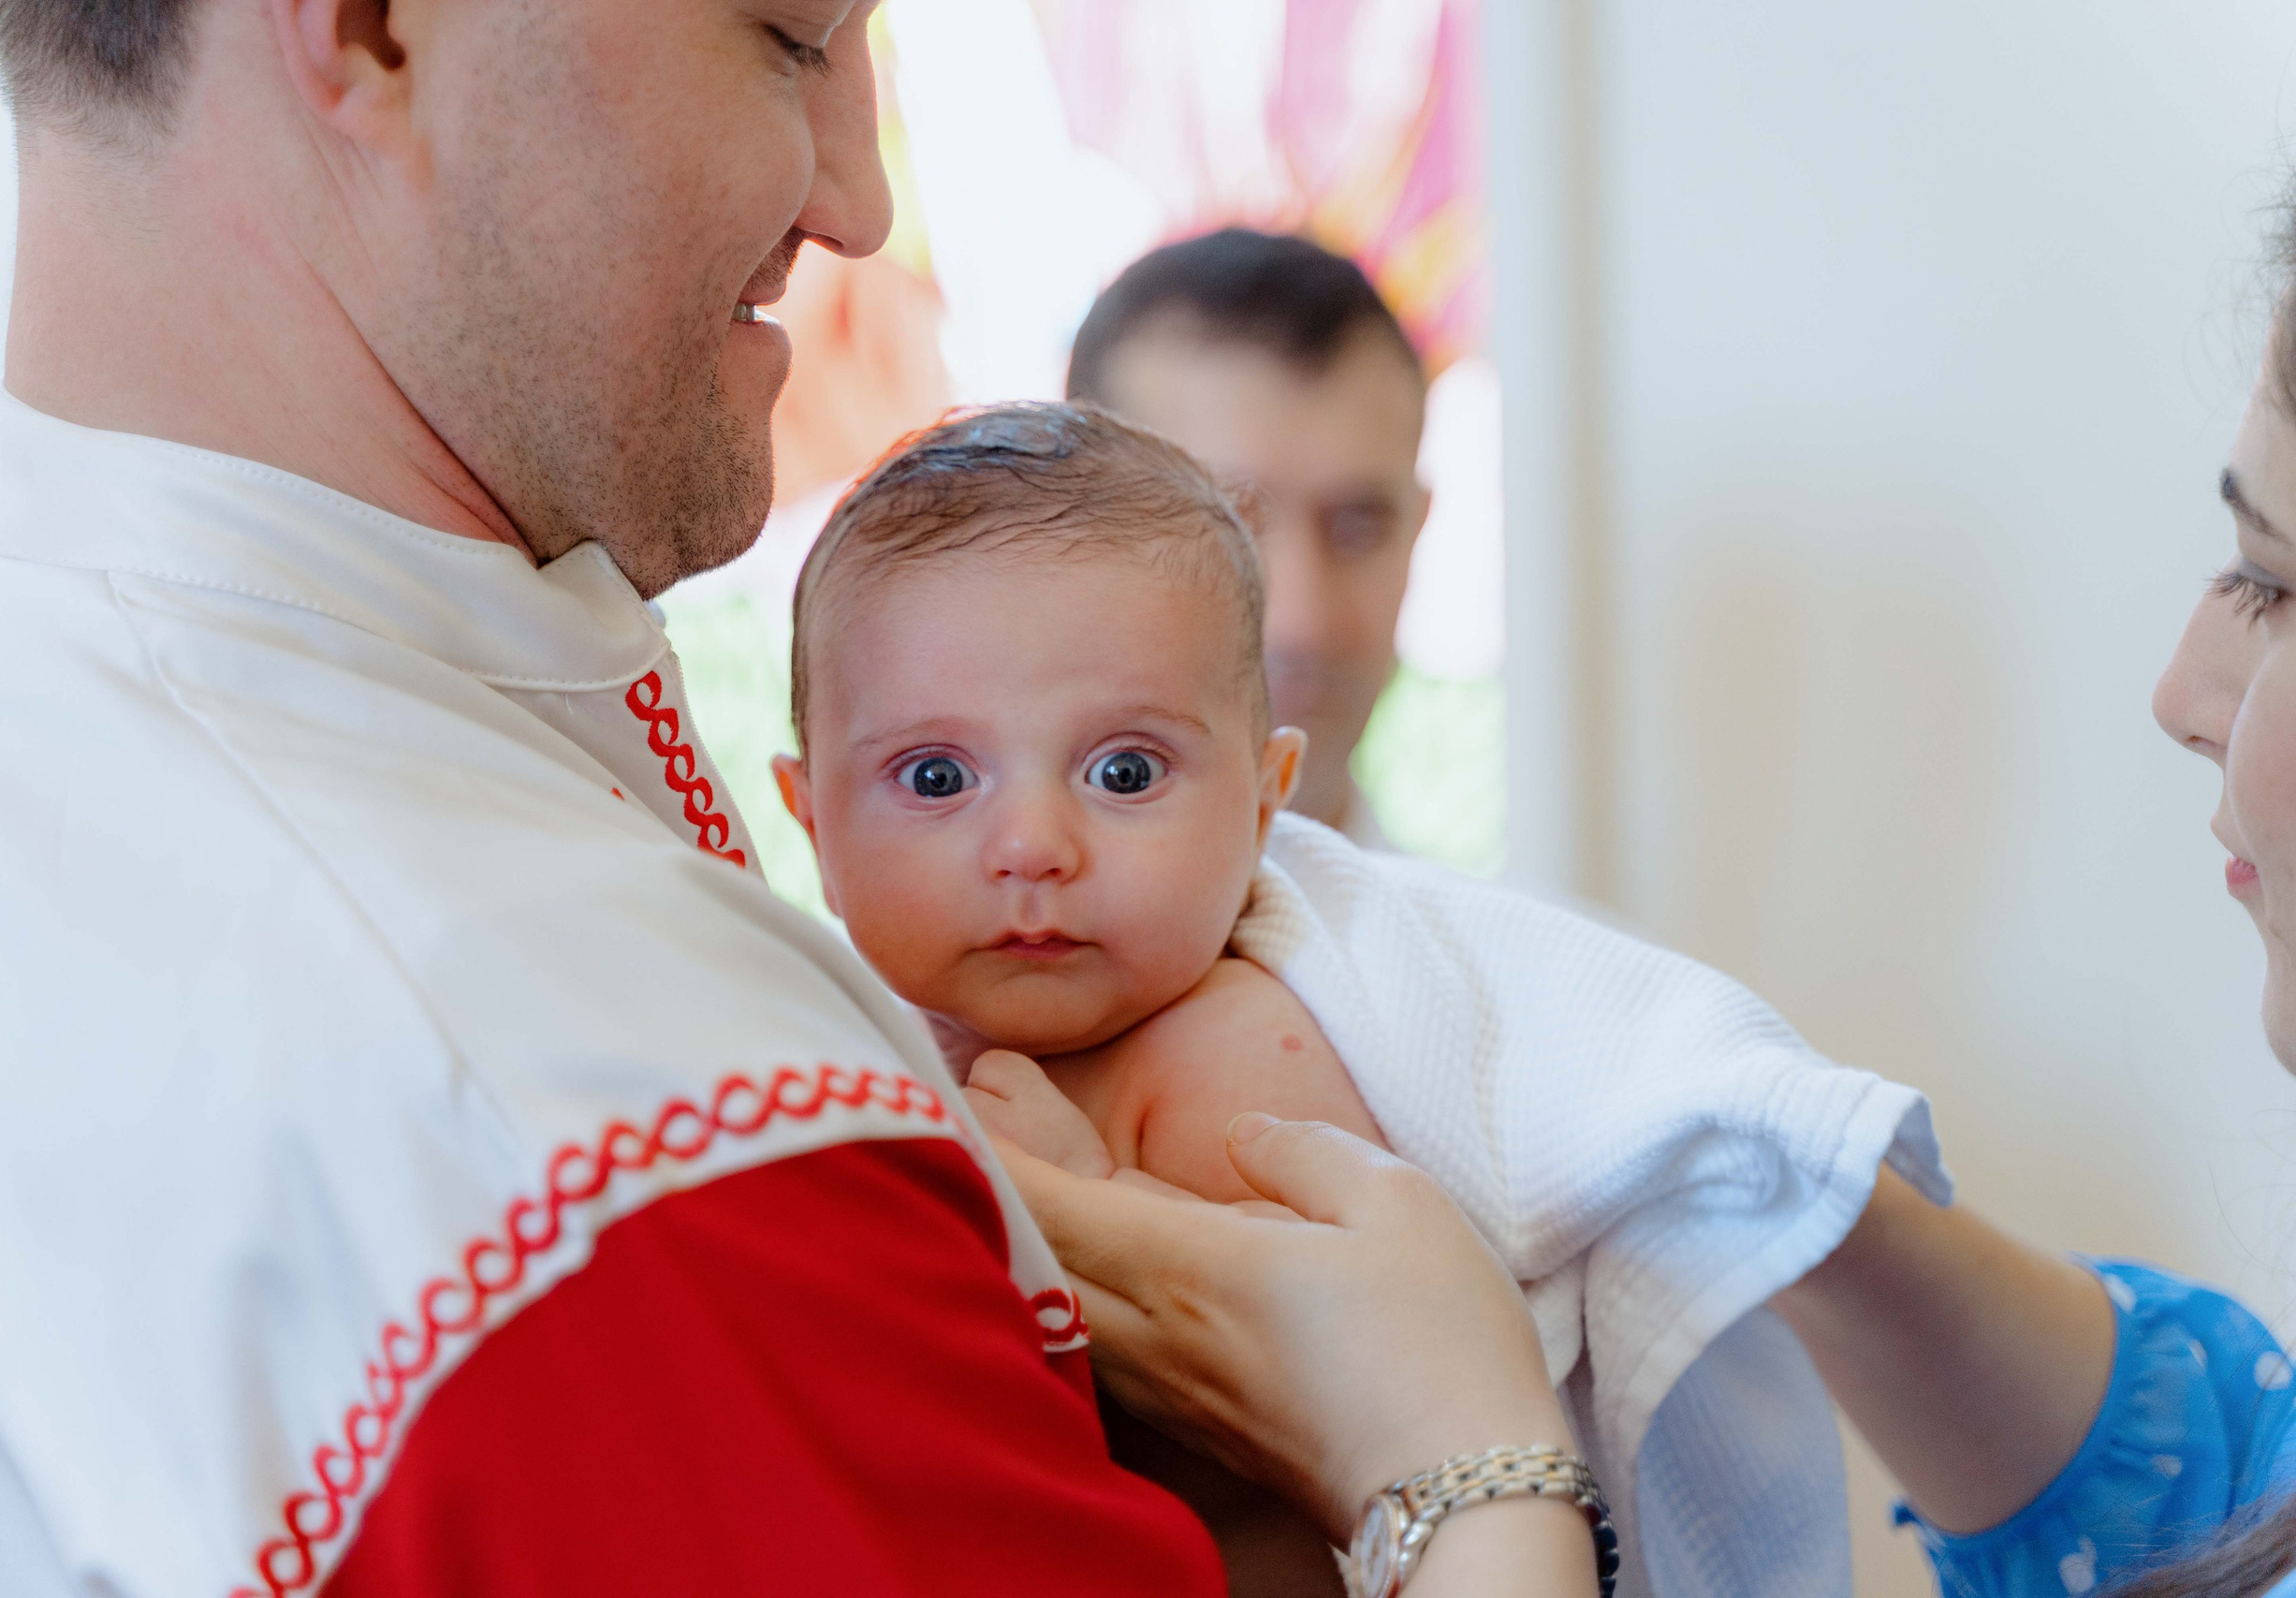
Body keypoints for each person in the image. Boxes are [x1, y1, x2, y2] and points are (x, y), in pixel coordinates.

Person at [0, 2, 1601, 1595]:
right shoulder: (631, 1161)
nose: (862, 203)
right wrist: (1460, 1452)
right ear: (375, 23)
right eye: (789, 36)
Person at [1013, 206, 2296, 1598]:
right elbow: (2215, 1477)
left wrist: (1465, 1438)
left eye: (2274, 582)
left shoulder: (1590, 1042)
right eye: (1230, 519)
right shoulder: (892, 1054)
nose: (1308, 614)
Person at [769, 399, 1947, 1598]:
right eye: (933, 776)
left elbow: (1318, 1398)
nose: (1031, 844)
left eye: (1124, 771)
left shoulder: (1242, 1058)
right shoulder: (797, 1040)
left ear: (1266, 798)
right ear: (809, 818)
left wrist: (1103, 1203)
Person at [1067, 229, 1431, 847]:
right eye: (1226, 526)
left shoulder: (1559, 946)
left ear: (1418, 526)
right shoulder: (896, 940)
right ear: (1072, 529)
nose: (1303, 624)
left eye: (1360, 527)